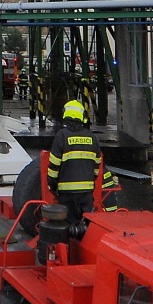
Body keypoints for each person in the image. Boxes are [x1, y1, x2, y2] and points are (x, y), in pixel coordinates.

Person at [45, 100, 119, 233]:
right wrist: (91, 179)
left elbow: (54, 165)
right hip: (86, 192)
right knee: (86, 226)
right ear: (81, 116)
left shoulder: (62, 136)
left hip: (67, 193)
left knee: (68, 227)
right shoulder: (92, 137)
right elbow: (97, 164)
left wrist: (52, 184)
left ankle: (69, 251)